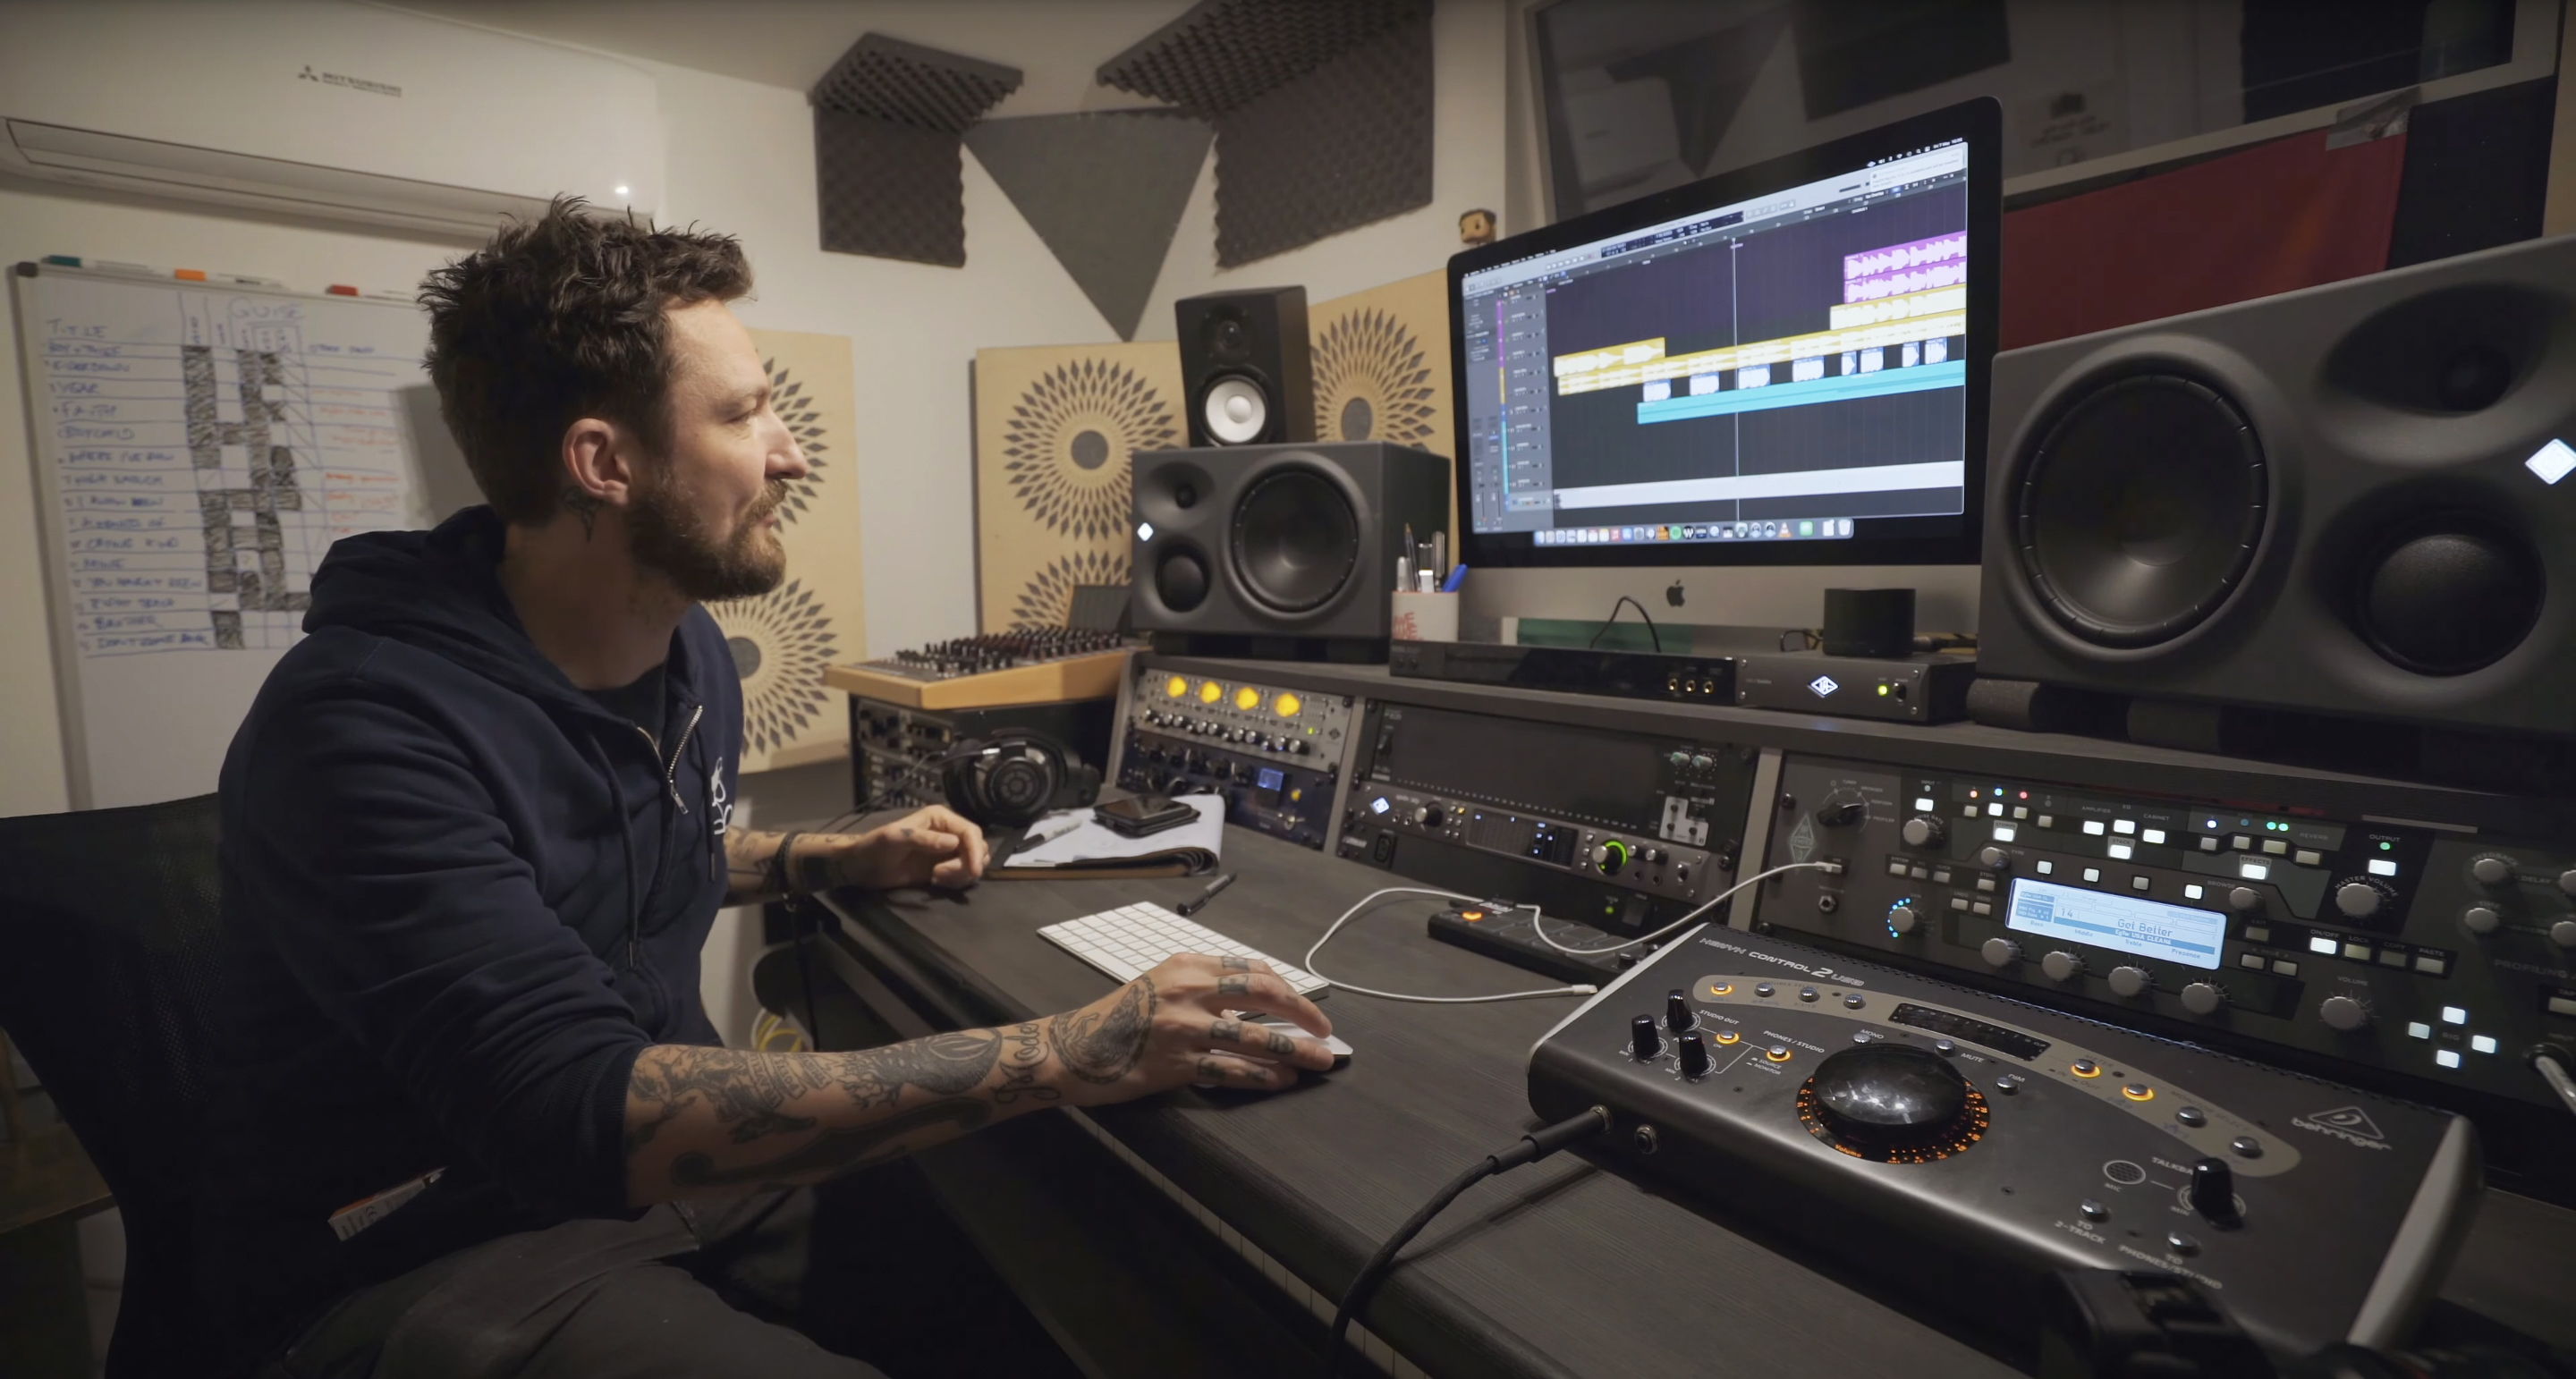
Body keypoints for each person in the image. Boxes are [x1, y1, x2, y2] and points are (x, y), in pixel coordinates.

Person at [205, 198, 1336, 1378]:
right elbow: (580, 1110)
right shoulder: (361, 728)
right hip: (430, 1252)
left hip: (644, 1192)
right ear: (604, 462)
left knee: (1056, 1291)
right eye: (744, 414)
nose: (790, 450)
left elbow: (596, 858)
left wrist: (827, 853)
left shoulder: (677, 646)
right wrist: (1069, 1050)